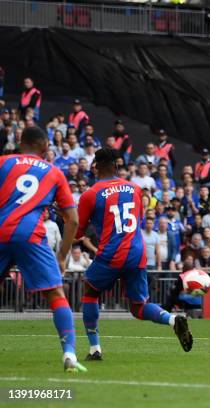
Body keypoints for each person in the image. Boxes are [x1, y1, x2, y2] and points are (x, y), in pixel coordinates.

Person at [76, 148, 193, 361]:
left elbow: (77, 233)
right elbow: (135, 221)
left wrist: (68, 218)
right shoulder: (135, 188)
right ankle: (173, 319)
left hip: (112, 253)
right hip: (136, 253)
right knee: (138, 308)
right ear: (117, 166)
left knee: (90, 293)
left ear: (96, 166)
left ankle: (95, 349)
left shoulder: (90, 194)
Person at [1, 126, 84, 372]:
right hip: (31, 235)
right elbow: (74, 220)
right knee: (56, 295)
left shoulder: (4, 162)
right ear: (46, 146)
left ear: (20, 142)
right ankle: (69, 353)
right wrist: (62, 256)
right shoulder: (54, 172)